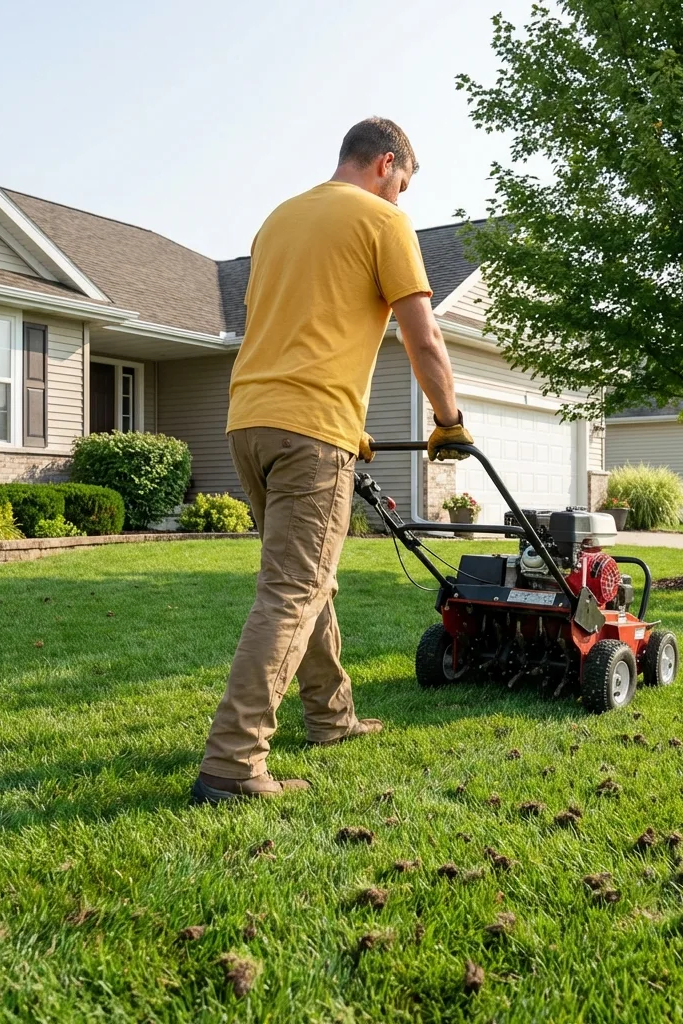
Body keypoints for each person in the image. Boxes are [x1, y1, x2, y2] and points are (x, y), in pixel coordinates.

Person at [191, 117, 474, 803]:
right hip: (309, 429)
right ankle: (233, 762)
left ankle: (330, 716)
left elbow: (296, 330)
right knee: (293, 589)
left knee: (308, 581)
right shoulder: (383, 220)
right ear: (385, 164)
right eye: (402, 185)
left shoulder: (279, 221)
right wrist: (449, 422)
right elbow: (424, 338)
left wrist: (348, 426)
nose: (400, 199)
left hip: (250, 421)